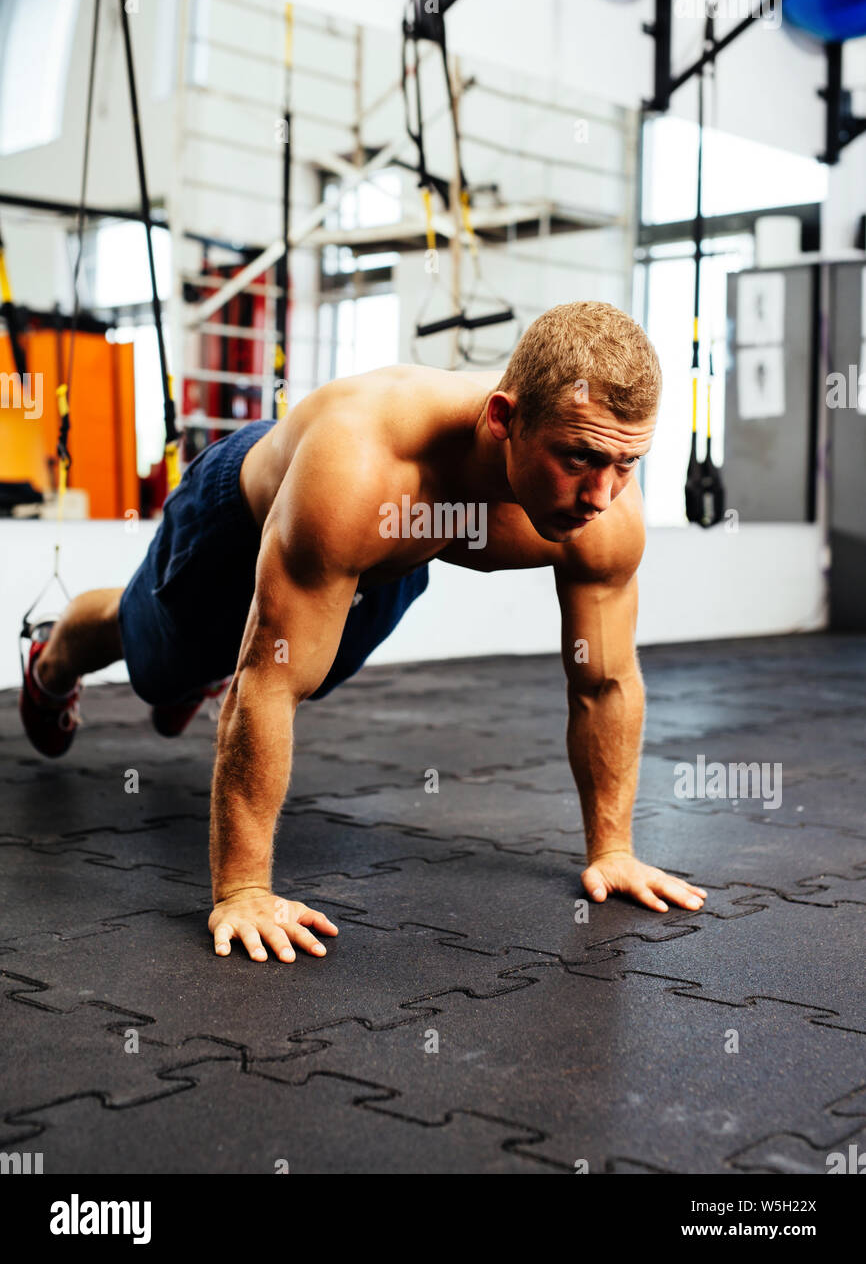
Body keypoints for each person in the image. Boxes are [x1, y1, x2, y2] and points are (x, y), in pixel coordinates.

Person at [20, 300, 707, 962]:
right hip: (242, 513)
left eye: (626, 463)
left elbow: (606, 678)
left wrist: (612, 849)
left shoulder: (606, 510)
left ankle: (202, 668)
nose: (600, 495)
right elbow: (270, 677)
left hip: (389, 555)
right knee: (155, 663)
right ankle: (53, 661)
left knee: (315, 670)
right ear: (504, 419)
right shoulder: (362, 467)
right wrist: (243, 891)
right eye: (578, 458)